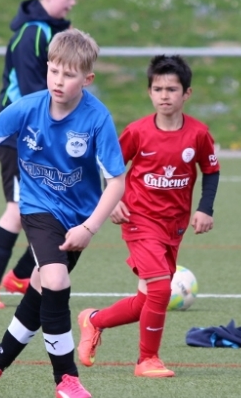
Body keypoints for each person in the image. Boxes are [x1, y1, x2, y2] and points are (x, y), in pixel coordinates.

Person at [0, 28, 125, 398]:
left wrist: (89, 227)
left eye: (69, 75)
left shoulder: (97, 118)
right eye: (53, 71)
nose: (58, 81)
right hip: (37, 209)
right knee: (55, 279)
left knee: (39, 294)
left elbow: (116, 181)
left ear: (87, 79)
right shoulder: (28, 107)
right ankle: (67, 378)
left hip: (78, 219)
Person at [76, 55, 220, 377]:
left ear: (187, 93)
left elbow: (211, 170)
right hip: (139, 220)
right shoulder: (137, 132)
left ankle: (93, 320)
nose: (164, 95)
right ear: (149, 92)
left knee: (148, 299)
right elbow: (107, 165)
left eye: (172, 89)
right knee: (160, 290)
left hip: (174, 226)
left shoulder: (198, 134)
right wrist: (111, 200)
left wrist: (204, 208)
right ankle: (147, 360)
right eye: (158, 89)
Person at [0, 0, 88, 310]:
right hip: (20, 137)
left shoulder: (53, 31)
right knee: (18, 209)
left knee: (59, 209)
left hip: (44, 136)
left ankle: (21, 276)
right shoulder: (33, 34)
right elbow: (31, 93)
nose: (72, 3)